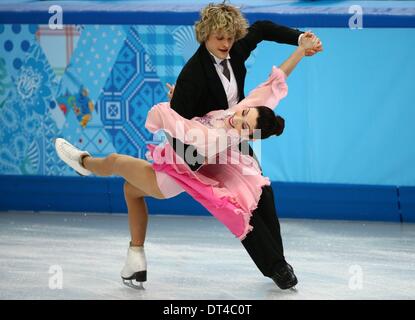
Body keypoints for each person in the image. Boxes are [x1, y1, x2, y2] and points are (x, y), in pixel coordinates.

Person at [54, 34, 316, 289]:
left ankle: (83, 162)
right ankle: (136, 259)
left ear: (249, 135)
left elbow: (177, 135)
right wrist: (300, 51)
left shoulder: (214, 139)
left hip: (170, 177)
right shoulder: (240, 113)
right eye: (244, 112)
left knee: (113, 160)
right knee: (130, 191)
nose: (238, 118)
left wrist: (173, 106)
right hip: (175, 166)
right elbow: (271, 86)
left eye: (243, 125)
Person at [166, 2, 323, 289]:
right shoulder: (192, 75)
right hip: (205, 149)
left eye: (230, 37)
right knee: (239, 205)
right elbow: (174, 124)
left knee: (262, 190)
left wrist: (299, 40)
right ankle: (275, 268)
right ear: (205, 36)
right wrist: (196, 162)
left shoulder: (235, 48)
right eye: (219, 38)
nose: (226, 43)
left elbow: (262, 28)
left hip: (235, 136)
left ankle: (278, 259)